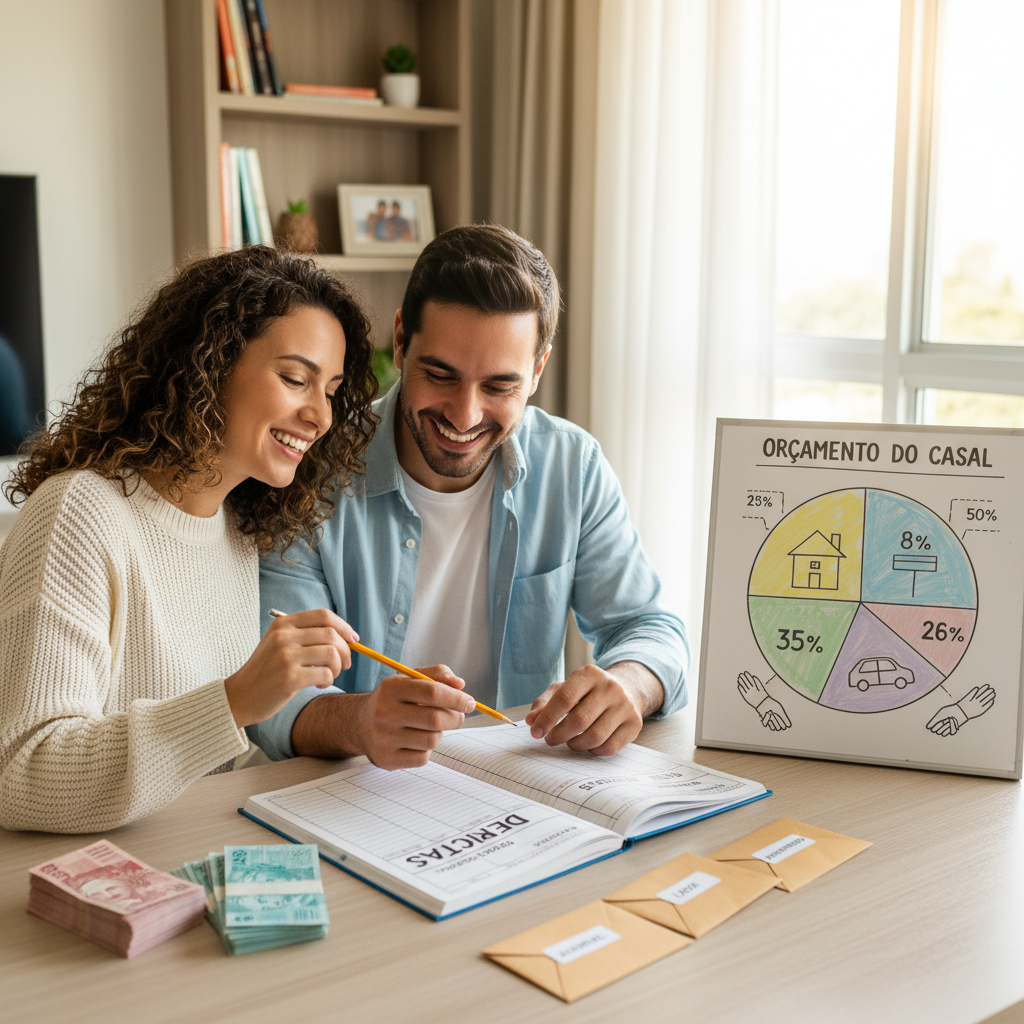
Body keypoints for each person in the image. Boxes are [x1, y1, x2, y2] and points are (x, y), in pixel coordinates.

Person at [252, 224, 689, 770]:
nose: (464, 416)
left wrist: (629, 684)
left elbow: (651, 629)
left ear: (537, 370)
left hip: (521, 784)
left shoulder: (571, 465)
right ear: (401, 341)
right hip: (357, 788)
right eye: (441, 375)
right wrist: (360, 721)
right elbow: (276, 699)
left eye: (500, 387)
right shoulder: (311, 468)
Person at [0, 246, 374, 833]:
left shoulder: (235, 531)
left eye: (329, 391)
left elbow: (210, 768)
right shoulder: (79, 514)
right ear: (210, 363)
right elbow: (25, 774)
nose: (321, 417)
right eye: (295, 379)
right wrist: (234, 701)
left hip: (188, 852)